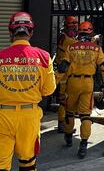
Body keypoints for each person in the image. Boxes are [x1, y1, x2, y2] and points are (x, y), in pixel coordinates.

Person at [0, 12, 56, 171]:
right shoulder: (44, 57)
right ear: (30, 32)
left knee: (1, 164)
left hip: (3, 117)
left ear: (10, 32)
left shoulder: (1, 57)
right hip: (29, 117)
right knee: (28, 162)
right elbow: (49, 90)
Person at [56, 21, 104, 159]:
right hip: (88, 83)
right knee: (85, 115)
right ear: (91, 32)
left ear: (79, 32)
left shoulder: (72, 47)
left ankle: (68, 136)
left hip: (73, 82)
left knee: (69, 112)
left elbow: (63, 67)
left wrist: (55, 82)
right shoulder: (96, 49)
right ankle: (84, 144)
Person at [54, 16, 78, 133]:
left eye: (75, 24)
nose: (75, 27)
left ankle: (62, 123)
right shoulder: (66, 39)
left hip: (67, 72)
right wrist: (91, 41)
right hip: (63, 73)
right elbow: (76, 44)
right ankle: (62, 124)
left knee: (65, 99)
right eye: (72, 24)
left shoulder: (65, 36)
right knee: (64, 100)